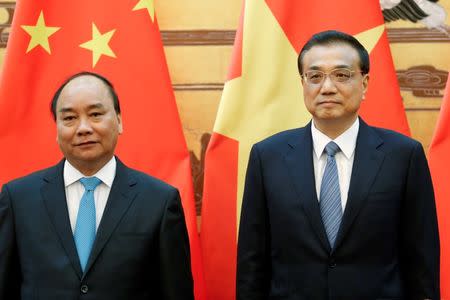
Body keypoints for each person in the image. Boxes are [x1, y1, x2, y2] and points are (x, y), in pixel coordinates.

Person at [236, 30, 440, 299]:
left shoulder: (403, 156)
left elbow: (421, 259)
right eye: (315, 76)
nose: (327, 87)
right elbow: (252, 261)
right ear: (303, 83)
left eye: (342, 75)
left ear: (365, 83)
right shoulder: (268, 156)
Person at [0, 72, 194, 300]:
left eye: (95, 114)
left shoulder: (159, 202)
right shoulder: (18, 199)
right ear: (57, 129)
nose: (83, 128)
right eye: (70, 118)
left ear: (119, 120)